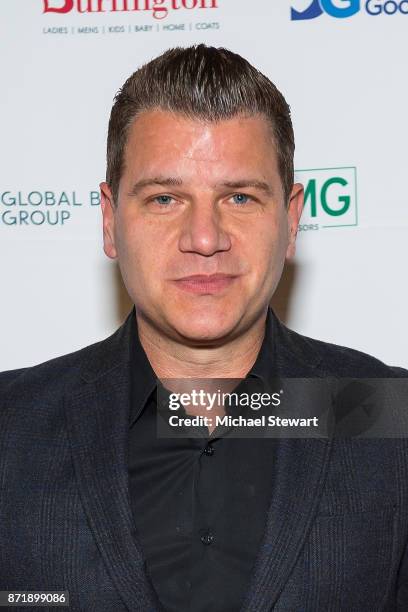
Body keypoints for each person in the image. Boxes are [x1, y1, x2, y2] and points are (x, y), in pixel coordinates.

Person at [0, 44, 407, 611]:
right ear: (109, 221)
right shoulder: (10, 427)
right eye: (164, 199)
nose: (205, 237)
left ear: (291, 221)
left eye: (239, 197)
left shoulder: (389, 415)